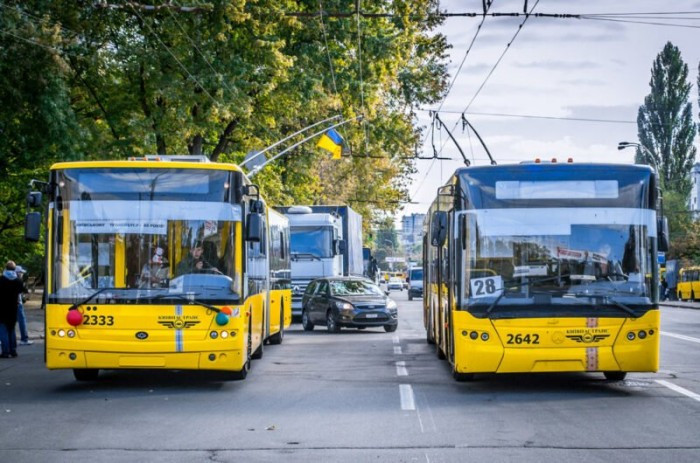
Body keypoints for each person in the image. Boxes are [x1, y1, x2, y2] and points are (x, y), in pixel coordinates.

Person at [0, 261, 25, 358]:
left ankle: (5, 351)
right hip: (13, 307)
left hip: (2, 308)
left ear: (5, 268)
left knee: (3, 330)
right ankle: (13, 350)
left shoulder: (1, 280)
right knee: (11, 329)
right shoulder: (18, 281)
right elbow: (21, 291)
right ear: (15, 269)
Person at [14, 266, 32, 345]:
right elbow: (24, 291)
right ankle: (24, 339)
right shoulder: (18, 281)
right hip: (18, 304)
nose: (22, 274)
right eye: (21, 273)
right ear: (17, 273)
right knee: (22, 321)